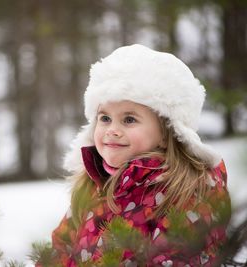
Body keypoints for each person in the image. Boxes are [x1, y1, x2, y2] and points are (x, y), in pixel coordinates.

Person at [43, 44, 231, 266]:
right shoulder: (93, 185)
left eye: (129, 119)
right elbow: (60, 249)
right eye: (105, 118)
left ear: (166, 131)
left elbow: (178, 258)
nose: (112, 129)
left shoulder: (184, 193)